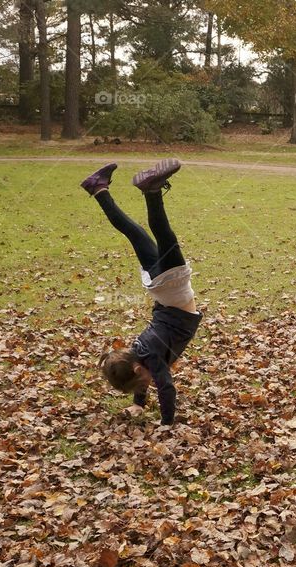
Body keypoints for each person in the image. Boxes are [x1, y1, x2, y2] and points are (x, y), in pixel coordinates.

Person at [81, 159, 202, 425]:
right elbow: (152, 379)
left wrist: (166, 423)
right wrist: (139, 404)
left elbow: (166, 387)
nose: (147, 384)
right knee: (134, 233)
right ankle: (98, 187)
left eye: (141, 385)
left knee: (164, 236)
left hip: (173, 290)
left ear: (137, 368)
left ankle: (152, 190)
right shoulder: (141, 351)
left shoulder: (151, 359)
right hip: (161, 291)